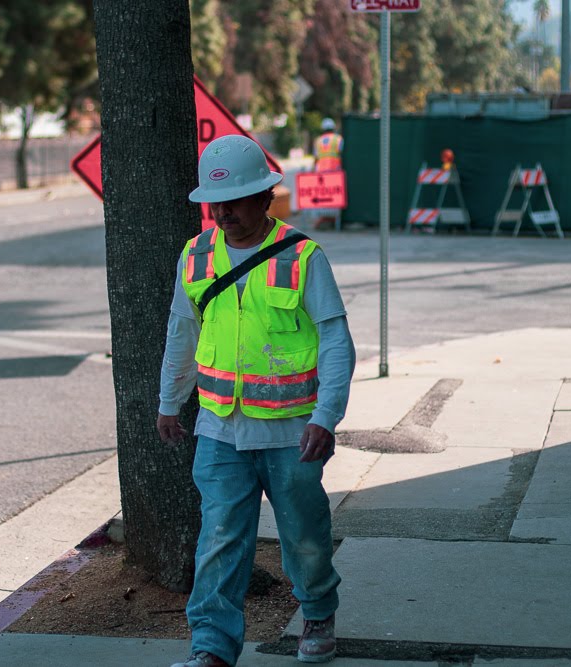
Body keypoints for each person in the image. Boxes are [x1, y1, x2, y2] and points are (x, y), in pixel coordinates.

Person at [159, 134, 356, 667]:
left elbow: (336, 340)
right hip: (220, 428)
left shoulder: (303, 258)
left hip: (292, 431)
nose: (222, 212)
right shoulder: (196, 255)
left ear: (264, 198)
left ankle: (316, 612)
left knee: (304, 533)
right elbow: (183, 330)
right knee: (220, 539)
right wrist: (169, 400)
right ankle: (212, 648)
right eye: (214, 203)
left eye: (236, 200)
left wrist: (326, 417)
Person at [312, 118, 344, 229]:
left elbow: (316, 158)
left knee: (322, 198)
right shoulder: (338, 139)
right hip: (335, 172)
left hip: (321, 173)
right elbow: (342, 154)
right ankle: (335, 220)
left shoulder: (318, 140)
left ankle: (322, 218)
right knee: (334, 198)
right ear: (333, 128)